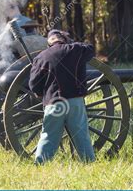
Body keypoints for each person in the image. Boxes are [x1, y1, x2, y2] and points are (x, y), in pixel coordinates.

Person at [29, 29, 96, 164]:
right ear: (64, 39)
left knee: (48, 135)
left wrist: (41, 93)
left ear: (49, 43)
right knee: (81, 133)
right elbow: (90, 49)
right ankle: (89, 162)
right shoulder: (75, 49)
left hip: (53, 103)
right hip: (75, 101)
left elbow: (33, 84)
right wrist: (72, 43)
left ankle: (40, 164)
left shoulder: (41, 57)